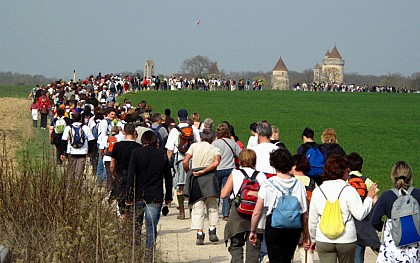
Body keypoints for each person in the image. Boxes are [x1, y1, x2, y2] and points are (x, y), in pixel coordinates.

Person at [308, 155, 377, 263]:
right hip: (346, 239)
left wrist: (313, 239)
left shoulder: (318, 191)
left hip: (323, 238)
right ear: (343, 172)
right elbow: (360, 214)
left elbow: (312, 220)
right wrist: (369, 198)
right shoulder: (349, 190)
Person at [249, 148, 308, 262]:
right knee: (287, 258)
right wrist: (306, 234)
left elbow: (257, 212)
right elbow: (304, 212)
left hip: (274, 225)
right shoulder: (299, 185)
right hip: (294, 226)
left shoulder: (268, 184)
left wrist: (253, 231)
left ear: (273, 164)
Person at [126, 131, 172, 261]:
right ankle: (149, 256)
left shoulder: (136, 153)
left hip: (138, 194)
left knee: (136, 224)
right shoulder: (162, 154)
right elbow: (168, 178)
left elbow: (131, 176)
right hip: (155, 195)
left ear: (143, 141)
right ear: (155, 142)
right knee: (151, 227)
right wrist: (168, 196)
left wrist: (128, 197)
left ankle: (135, 252)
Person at [221, 149, 266, 262]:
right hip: (256, 214)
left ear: (240, 161)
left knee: (236, 244)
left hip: (238, 213)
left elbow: (223, 194)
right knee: (254, 247)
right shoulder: (261, 176)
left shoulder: (235, 173)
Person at [370, 161, 420, 263]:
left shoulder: (387, 196)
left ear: (393, 176)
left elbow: (373, 220)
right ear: (410, 176)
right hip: (414, 248)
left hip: (392, 249)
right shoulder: (418, 194)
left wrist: (386, 226)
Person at [183, 129, 221, 245]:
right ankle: (212, 229)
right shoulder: (215, 149)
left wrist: (189, 172)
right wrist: (205, 170)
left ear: (201, 137)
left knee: (198, 206)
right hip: (210, 178)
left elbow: (185, 161)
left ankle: (199, 233)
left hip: (196, 179)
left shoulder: (194, 146)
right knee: (212, 205)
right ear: (212, 138)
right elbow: (216, 162)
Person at [165, 109, 200, 220]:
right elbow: (198, 144)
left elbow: (169, 149)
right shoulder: (193, 129)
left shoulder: (175, 130)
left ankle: (181, 211)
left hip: (180, 159)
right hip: (192, 159)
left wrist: (166, 163)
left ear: (178, 117)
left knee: (180, 186)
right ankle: (191, 209)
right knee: (191, 184)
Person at [346, 152, 380, 263]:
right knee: (359, 253)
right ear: (361, 166)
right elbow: (376, 202)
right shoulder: (367, 181)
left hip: (347, 221)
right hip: (363, 222)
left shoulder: (345, 180)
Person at [110, 123, 141, 218]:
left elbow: (112, 164)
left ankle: (123, 217)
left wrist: (113, 174)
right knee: (132, 199)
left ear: (123, 132)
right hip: (134, 177)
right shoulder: (138, 147)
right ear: (135, 132)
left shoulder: (117, 146)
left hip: (120, 175)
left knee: (121, 199)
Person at [212, 123, 242, 220]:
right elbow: (241, 154)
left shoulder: (215, 143)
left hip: (218, 169)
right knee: (227, 192)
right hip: (229, 169)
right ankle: (225, 214)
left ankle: (214, 211)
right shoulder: (233, 143)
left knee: (216, 191)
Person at [291, 154, 317, 263]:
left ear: (295, 166)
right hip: (307, 221)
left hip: (290, 219)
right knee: (306, 253)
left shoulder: (288, 180)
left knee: (287, 252)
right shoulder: (312, 182)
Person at [61, 113, 95, 179]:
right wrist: (89, 151)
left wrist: (64, 153)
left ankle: (69, 188)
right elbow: (91, 141)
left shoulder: (68, 128)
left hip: (71, 152)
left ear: (73, 119)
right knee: (79, 174)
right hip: (82, 152)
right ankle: (78, 188)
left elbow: (63, 141)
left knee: (70, 173)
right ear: (81, 119)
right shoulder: (85, 128)